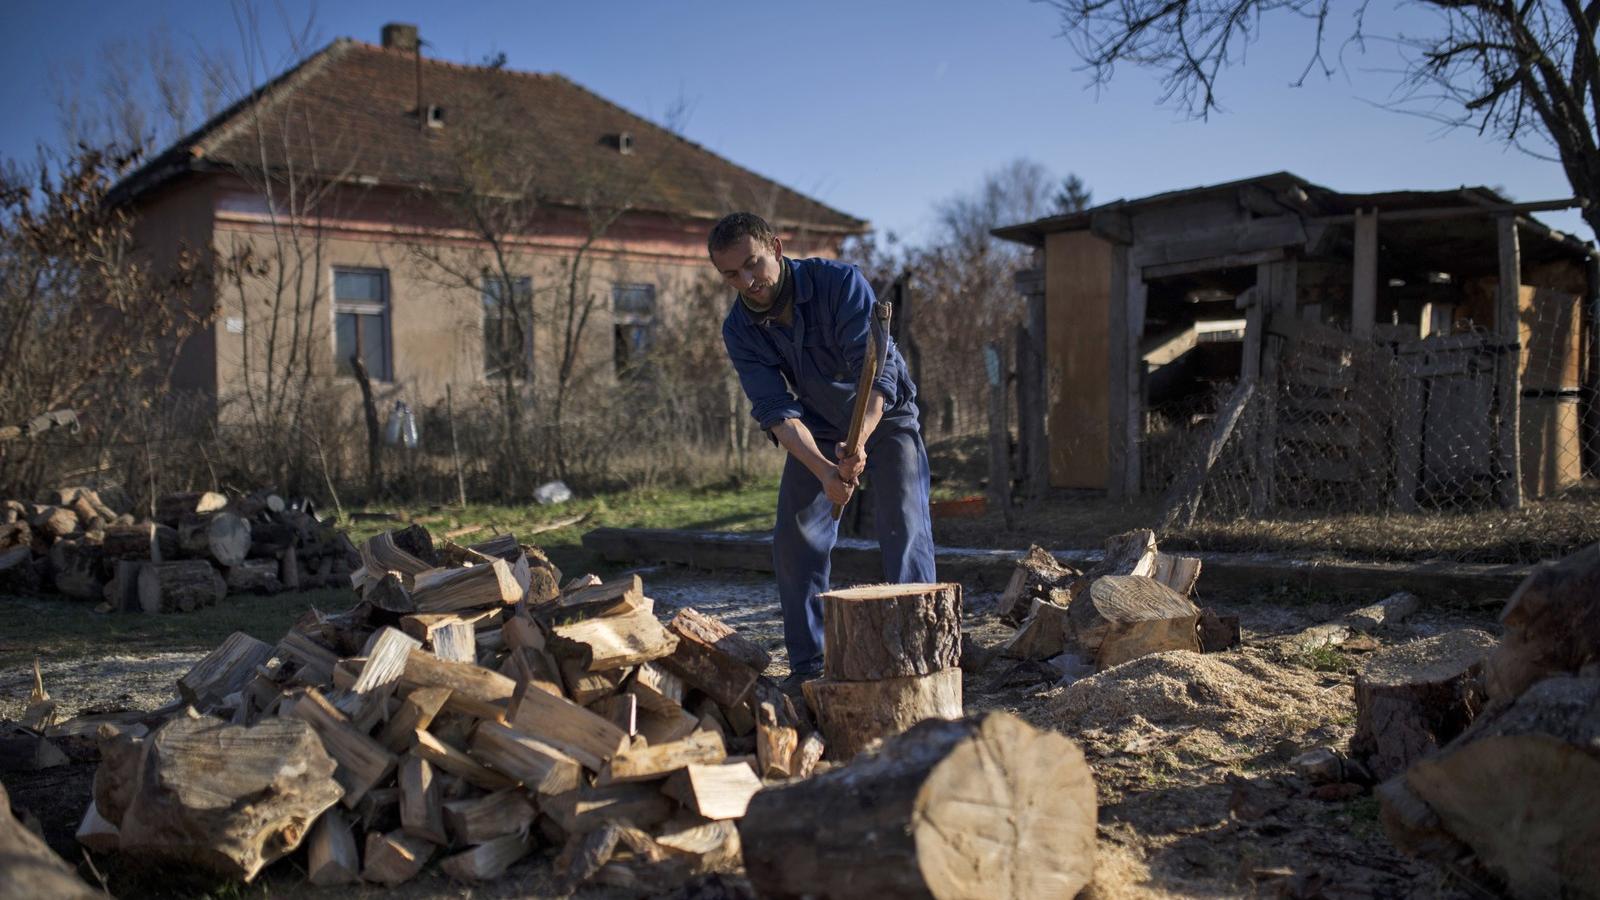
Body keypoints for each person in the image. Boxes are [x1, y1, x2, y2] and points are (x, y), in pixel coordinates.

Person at [708, 212, 937, 690]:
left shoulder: (838, 283)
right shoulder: (740, 330)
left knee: (903, 519)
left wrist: (861, 440)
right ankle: (809, 664)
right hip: (814, 423)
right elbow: (776, 411)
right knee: (795, 535)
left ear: (774, 244)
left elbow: (876, 371)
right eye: (731, 274)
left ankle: (920, 651)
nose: (748, 282)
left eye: (753, 264)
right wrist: (825, 470)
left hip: (884, 410)